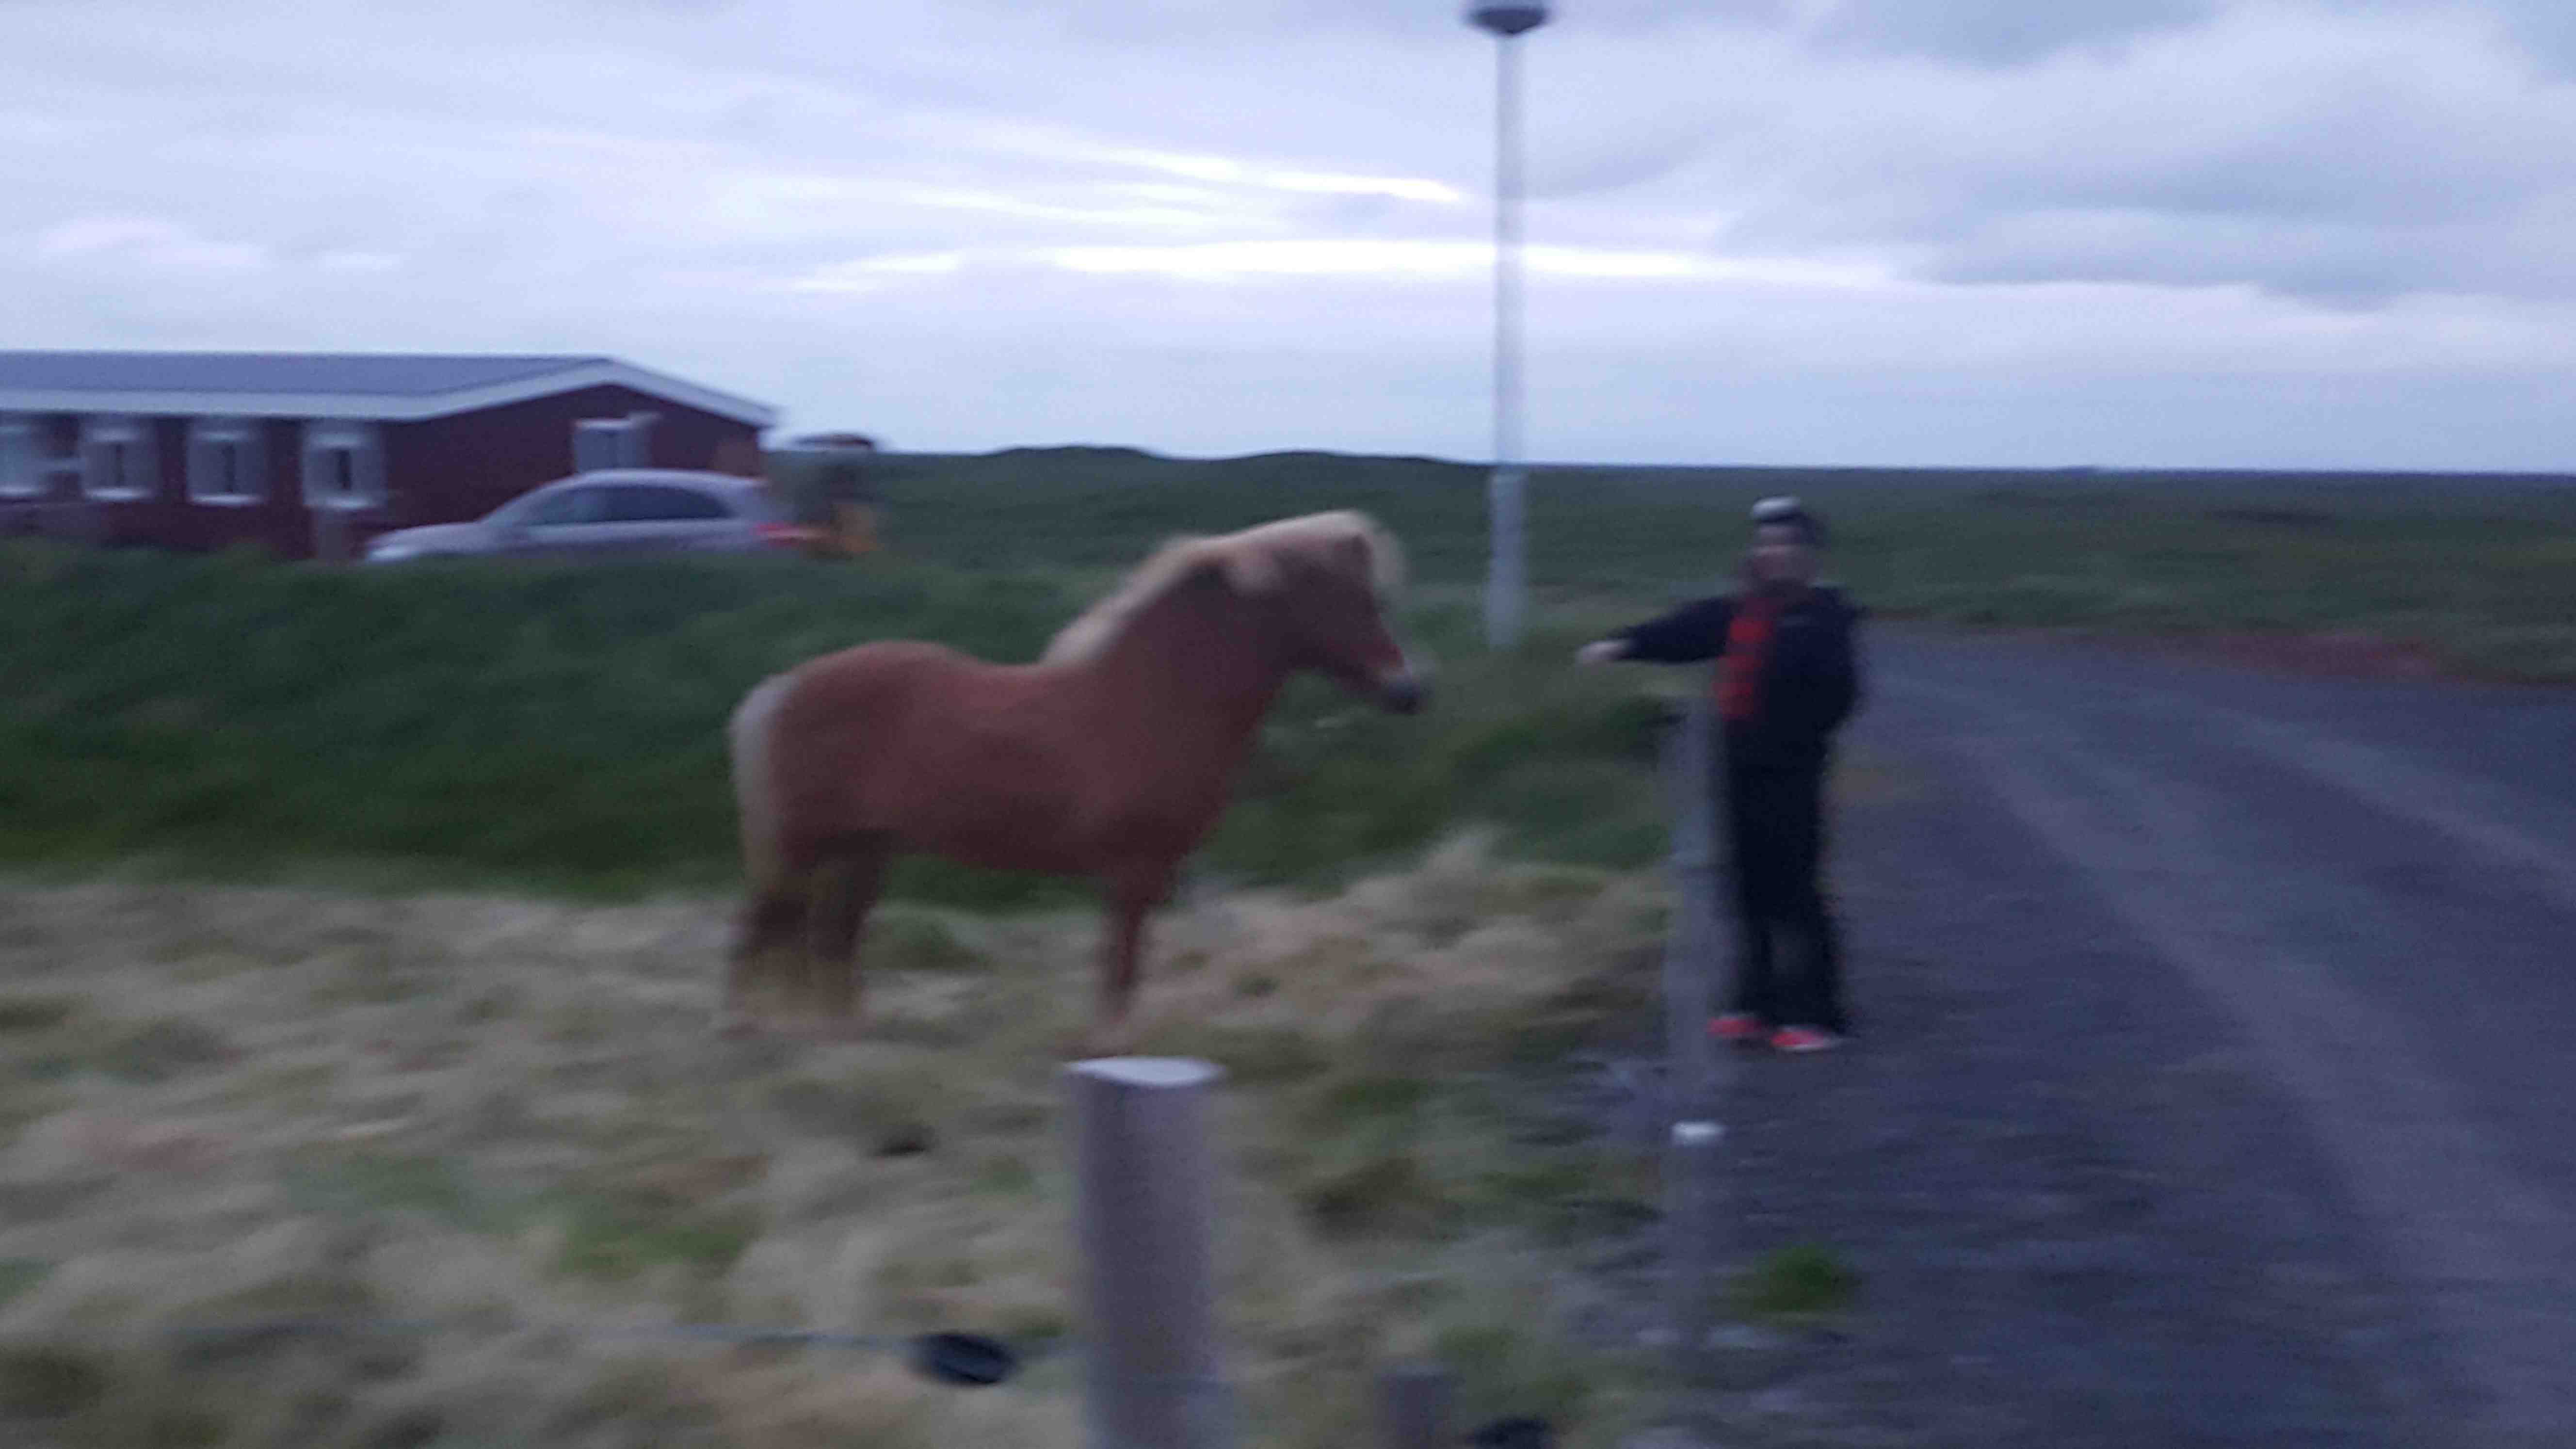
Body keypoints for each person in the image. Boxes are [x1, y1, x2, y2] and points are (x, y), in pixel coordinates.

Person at [1575, 496, 1865, 1053]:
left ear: (1808, 554)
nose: (1773, 552)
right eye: (1766, 543)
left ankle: (1818, 1014)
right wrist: (1621, 645)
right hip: (1737, 769)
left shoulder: (1824, 617)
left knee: (1794, 892)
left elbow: (1840, 697)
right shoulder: (1740, 611)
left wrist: (1788, 736)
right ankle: (1754, 1004)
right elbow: (1684, 633)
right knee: (1745, 889)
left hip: (1791, 774)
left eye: (1786, 543)